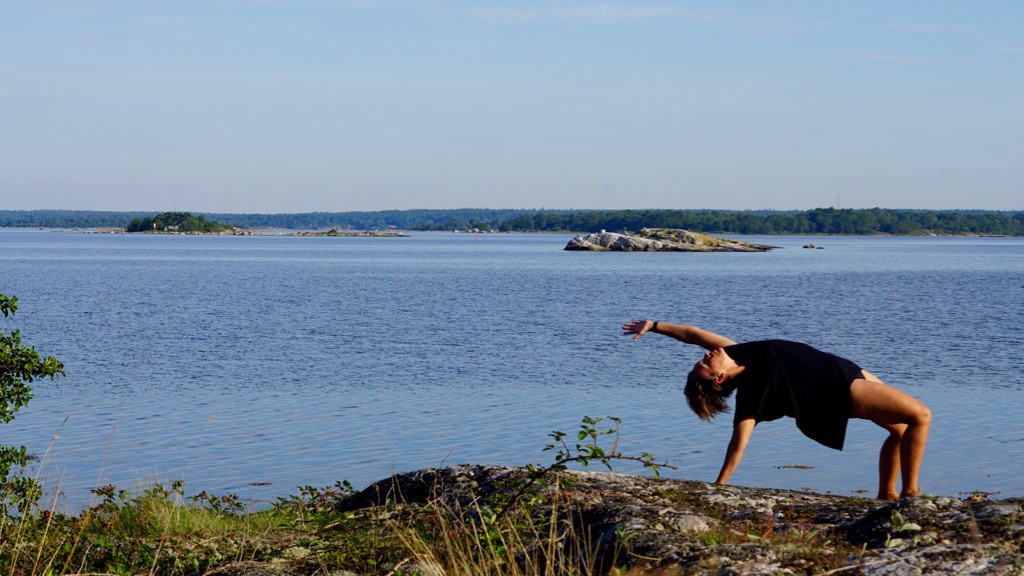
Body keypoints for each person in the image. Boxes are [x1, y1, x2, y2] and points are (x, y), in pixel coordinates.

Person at [622, 319, 931, 500]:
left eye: (702, 358)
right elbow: (738, 443)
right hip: (839, 391)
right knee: (920, 415)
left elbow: (692, 334)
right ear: (719, 377)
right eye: (705, 362)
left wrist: (655, 326)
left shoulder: (737, 351)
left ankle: (886, 495)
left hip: (847, 370)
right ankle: (911, 494)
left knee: (901, 432)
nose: (706, 354)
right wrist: (718, 488)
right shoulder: (753, 392)